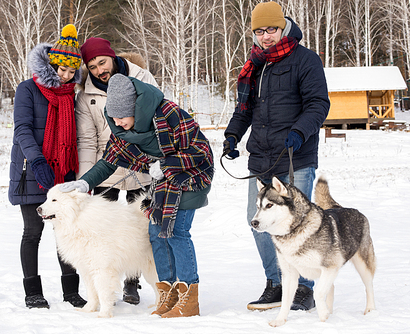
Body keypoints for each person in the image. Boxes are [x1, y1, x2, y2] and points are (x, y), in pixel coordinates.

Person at [60, 73, 214, 318]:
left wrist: (167, 164)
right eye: (114, 117)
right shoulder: (121, 131)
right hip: (163, 182)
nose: (118, 122)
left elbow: (200, 149)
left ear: (135, 108)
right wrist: (84, 183)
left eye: (122, 116)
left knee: (176, 232)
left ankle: (189, 298)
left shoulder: (168, 113)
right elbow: (108, 162)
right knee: (156, 234)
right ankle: (168, 294)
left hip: (191, 175)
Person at [222, 1, 330, 312]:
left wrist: (300, 132)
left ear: (282, 27)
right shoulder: (255, 64)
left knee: (297, 223)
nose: (266, 36)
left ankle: (303, 289)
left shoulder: (305, 59)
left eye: (271, 29)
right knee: (256, 219)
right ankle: (276, 282)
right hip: (262, 159)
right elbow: (244, 110)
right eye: (259, 31)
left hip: (296, 155)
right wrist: (232, 136)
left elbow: (318, 104)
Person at [8, 24, 86, 309]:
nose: (66, 75)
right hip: (31, 170)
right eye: (61, 69)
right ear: (51, 63)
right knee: (33, 232)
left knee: (65, 231)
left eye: (71, 71)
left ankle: (71, 292)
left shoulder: (71, 95)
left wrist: (72, 172)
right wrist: (37, 159)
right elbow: (23, 129)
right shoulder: (27, 89)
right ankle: (33, 292)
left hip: (63, 171)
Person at [75, 37, 158, 304]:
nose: (100, 69)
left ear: (112, 57)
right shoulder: (85, 94)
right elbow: (87, 140)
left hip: (139, 165)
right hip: (106, 166)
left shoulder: (142, 78)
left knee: (137, 228)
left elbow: (156, 120)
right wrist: (86, 182)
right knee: (104, 230)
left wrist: (152, 161)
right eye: (93, 65)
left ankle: (132, 283)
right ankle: (104, 284)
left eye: (103, 62)